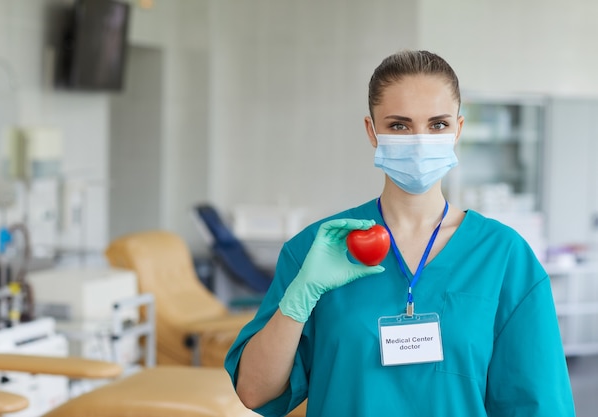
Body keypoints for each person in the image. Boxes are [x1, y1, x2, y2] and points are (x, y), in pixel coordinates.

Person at [224, 49, 576, 416]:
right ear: (372, 132)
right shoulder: (319, 249)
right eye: (399, 125)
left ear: (458, 130)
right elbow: (254, 392)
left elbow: (538, 404)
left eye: (437, 124)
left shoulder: (504, 257)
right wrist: (301, 295)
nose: (419, 140)